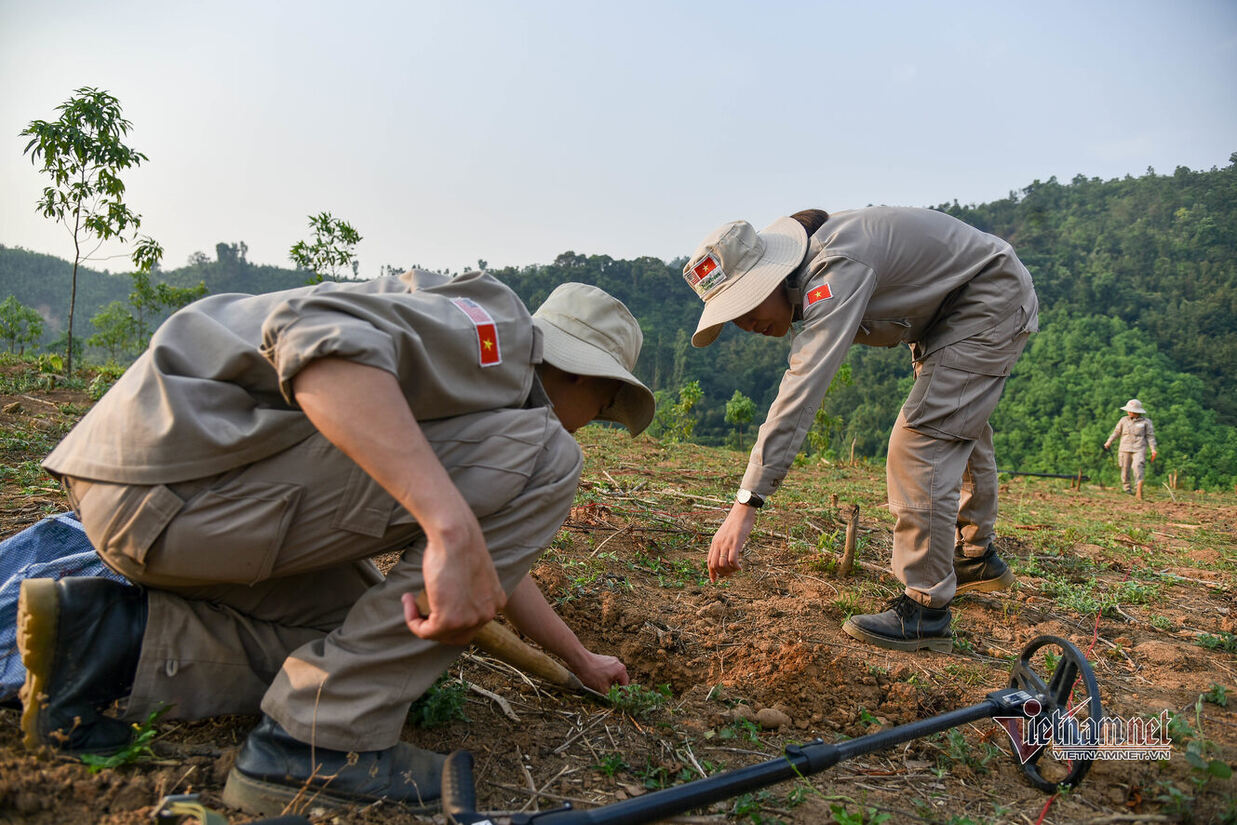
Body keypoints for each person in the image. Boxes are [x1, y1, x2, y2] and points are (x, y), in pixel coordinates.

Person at [17, 272, 655, 817]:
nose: (589, 424)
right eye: (601, 407)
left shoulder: (491, 400)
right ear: (581, 375)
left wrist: (576, 657)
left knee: (355, 638)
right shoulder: (497, 333)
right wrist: (448, 526)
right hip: (182, 484)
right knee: (552, 455)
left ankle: (105, 642)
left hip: (160, 511)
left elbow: (489, 561)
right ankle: (320, 745)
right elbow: (310, 330)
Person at [680, 207, 1037, 653]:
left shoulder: (832, 272)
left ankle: (925, 610)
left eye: (747, 304)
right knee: (956, 422)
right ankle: (973, 558)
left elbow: (802, 389)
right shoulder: (813, 266)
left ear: (771, 277)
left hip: (987, 298)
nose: (746, 325)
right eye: (733, 316)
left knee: (920, 442)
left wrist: (746, 502)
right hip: (961, 306)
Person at [1103, 399, 1157, 499]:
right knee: (1124, 468)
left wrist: (1153, 448)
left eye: (1130, 410)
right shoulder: (1123, 420)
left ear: (1137, 412)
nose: (1128, 412)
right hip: (1124, 447)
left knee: (1138, 466)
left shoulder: (1146, 422)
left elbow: (1150, 436)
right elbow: (1116, 432)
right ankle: (1127, 488)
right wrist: (1109, 442)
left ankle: (1138, 488)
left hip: (1139, 448)